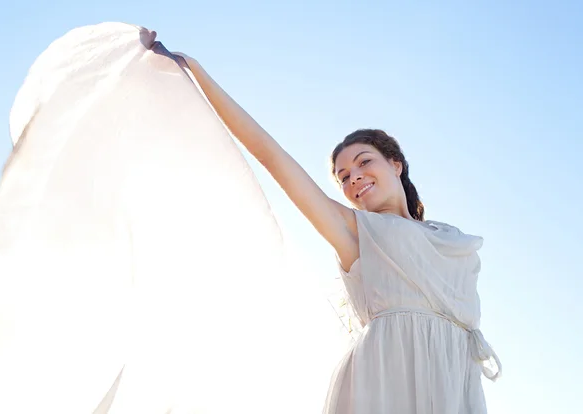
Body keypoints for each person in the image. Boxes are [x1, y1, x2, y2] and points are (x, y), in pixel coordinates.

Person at [182, 55, 501, 414]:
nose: (354, 179)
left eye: (364, 162)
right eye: (343, 176)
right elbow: (272, 156)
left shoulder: (451, 238)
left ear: (395, 164)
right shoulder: (356, 233)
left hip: (453, 381)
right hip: (382, 384)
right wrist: (199, 74)